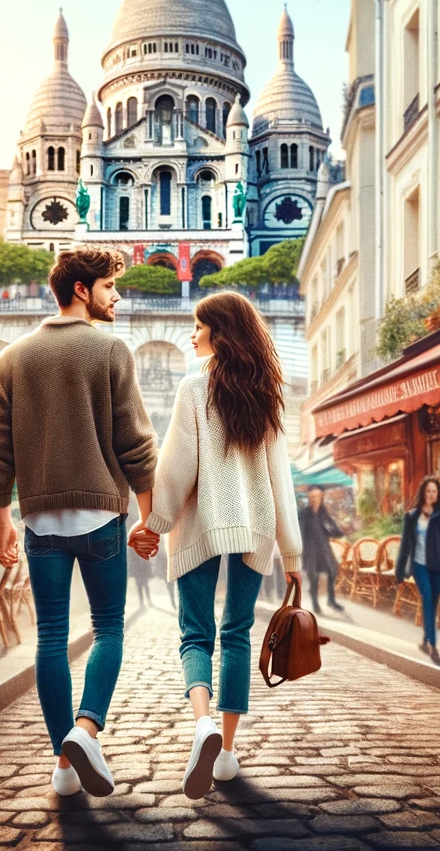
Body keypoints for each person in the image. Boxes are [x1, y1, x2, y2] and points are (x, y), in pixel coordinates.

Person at [0, 247, 158, 799]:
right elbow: (134, 441)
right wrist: (149, 518)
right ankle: (85, 730)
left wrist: (2, 518)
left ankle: (63, 763)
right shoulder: (111, 350)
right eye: (109, 286)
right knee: (109, 628)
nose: (116, 296)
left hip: (40, 521)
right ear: (81, 290)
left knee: (52, 638)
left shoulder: (12, 358)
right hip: (104, 515)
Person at [140, 292, 303, 799]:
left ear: (220, 331)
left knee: (195, 633)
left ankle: (203, 723)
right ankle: (228, 753)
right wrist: (292, 553)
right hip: (254, 527)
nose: (192, 334)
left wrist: (155, 522)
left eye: (198, 326)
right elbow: (282, 480)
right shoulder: (267, 395)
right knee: (236, 634)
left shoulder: (194, 389)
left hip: (200, 528)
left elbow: (175, 468)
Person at [394, 475, 440, 664]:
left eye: (434, 491)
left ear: (438, 493)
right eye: (428, 491)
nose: (431, 494)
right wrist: (400, 570)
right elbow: (405, 545)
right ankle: (433, 647)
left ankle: (425, 640)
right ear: (423, 493)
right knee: (427, 597)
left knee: (432, 602)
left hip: (439, 564)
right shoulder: (412, 516)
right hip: (419, 565)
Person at [297, 486, 345, 613]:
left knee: (333, 570)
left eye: (316, 496)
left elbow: (334, 530)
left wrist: (337, 531)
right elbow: (300, 532)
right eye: (311, 497)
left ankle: (331, 600)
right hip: (310, 549)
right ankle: (315, 603)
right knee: (313, 577)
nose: (313, 499)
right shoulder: (304, 513)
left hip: (324, 548)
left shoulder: (323, 512)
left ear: (321, 496)